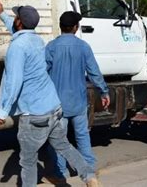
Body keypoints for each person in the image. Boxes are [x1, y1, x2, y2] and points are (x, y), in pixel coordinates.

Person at [0, 0, 99, 187]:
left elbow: (13, 82)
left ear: (19, 22)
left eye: (15, 17)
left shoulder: (17, 47)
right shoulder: (36, 40)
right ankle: (89, 177)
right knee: (64, 146)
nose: (14, 19)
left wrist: (2, 112)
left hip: (34, 113)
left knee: (28, 161)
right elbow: (18, 33)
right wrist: (1, 14)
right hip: (53, 107)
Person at [46, 11, 110, 183]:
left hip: (57, 104)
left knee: (60, 140)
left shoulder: (51, 47)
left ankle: (61, 175)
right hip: (79, 102)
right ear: (76, 27)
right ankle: (89, 172)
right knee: (82, 135)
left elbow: (42, 74)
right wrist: (103, 92)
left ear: (61, 27)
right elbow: (94, 73)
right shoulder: (83, 47)